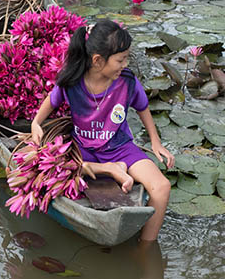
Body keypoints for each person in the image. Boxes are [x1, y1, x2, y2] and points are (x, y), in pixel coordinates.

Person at [30, 20, 175, 241]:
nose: (125, 64)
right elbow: (52, 101)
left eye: (126, 58)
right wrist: (35, 123)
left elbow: (143, 108)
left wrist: (155, 142)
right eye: (120, 59)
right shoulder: (72, 81)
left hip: (120, 148)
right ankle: (108, 169)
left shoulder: (126, 82)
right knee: (57, 170)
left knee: (162, 187)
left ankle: (147, 247)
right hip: (84, 150)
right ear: (98, 61)